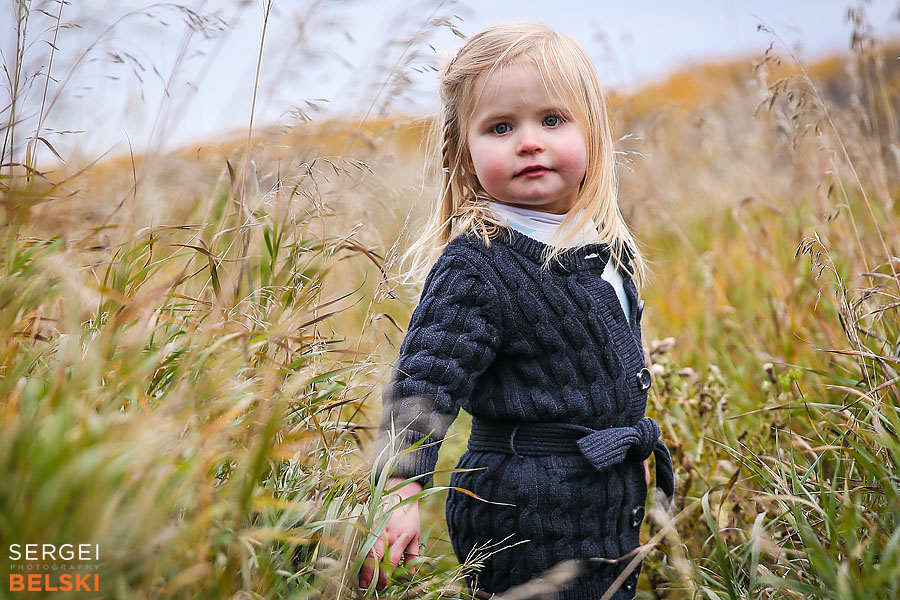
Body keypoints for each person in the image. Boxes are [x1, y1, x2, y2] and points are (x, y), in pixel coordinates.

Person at [360, 20, 675, 599]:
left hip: (603, 506)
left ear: (593, 129)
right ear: (463, 151)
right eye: (500, 127)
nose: (529, 142)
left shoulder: (607, 246)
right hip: (522, 517)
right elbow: (425, 383)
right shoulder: (479, 265)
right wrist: (400, 490)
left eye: (552, 120)